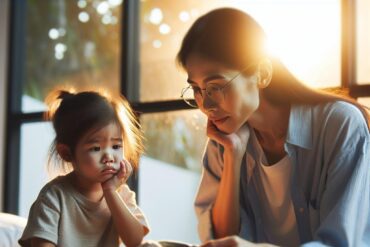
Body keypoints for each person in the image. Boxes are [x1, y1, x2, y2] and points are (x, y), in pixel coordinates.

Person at [177, 8, 370, 247]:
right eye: (196, 89)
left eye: (216, 86)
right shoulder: (223, 141)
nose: (206, 105)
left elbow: (341, 243)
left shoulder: (339, 125)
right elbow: (220, 240)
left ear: (262, 74)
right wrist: (233, 157)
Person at [19, 89, 150, 247]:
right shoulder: (53, 197)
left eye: (116, 146)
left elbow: (135, 241)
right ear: (66, 153)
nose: (109, 156)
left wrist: (110, 192)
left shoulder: (121, 194)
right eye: (96, 148)